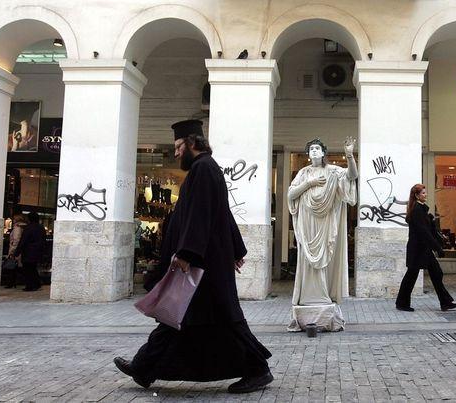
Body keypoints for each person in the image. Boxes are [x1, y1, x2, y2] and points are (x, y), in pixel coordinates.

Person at [114, 119, 273, 393]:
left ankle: (258, 370)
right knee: (178, 318)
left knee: (222, 318)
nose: (175, 153)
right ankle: (143, 367)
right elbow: (222, 213)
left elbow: (203, 214)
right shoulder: (205, 170)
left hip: (203, 265)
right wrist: (235, 249)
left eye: (178, 147)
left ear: (191, 143)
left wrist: (187, 252)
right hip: (203, 262)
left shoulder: (203, 170)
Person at [287, 137, 357, 308]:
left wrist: (349, 155)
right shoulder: (303, 173)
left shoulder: (333, 171)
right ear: (308, 153)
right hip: (307, 221)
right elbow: (291, 195)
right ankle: (307, 295)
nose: (314, 151)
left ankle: (324, 293)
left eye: (317, 148)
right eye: (311, 149)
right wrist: (309, 184)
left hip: (325, 221)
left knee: (326, 254)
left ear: (324, 152)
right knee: (306, 257)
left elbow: (352, 176)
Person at [396, 184, 456, 312]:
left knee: (436, 273)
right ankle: (402, 303)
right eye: (423, 193)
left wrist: (431, 221)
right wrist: (437, 248)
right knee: (411, 276)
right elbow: (424, 232)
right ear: (416, 195)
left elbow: (427, 230)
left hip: (422, 249)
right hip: (418, 249)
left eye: (425, 192)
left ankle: (445, 302)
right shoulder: (417, 210)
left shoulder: (420, 209)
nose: (426, 195)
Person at [13, 212, 45, 291]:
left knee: (28, 269)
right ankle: (36, 283)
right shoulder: (41, 228)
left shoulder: (29, 228)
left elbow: (23, 241)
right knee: (33, 268)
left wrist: (17, 252)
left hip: (28, 252)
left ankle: (30, 285)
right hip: (38, 252)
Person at [4, 214, 27, 288]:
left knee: (12, 266)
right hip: (21, 250)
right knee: (17, 266)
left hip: (16, 250)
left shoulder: (17, 228)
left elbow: (16, 240)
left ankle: (11, 283)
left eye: (14, 219)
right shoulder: (24, 227)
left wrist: (12, 251)